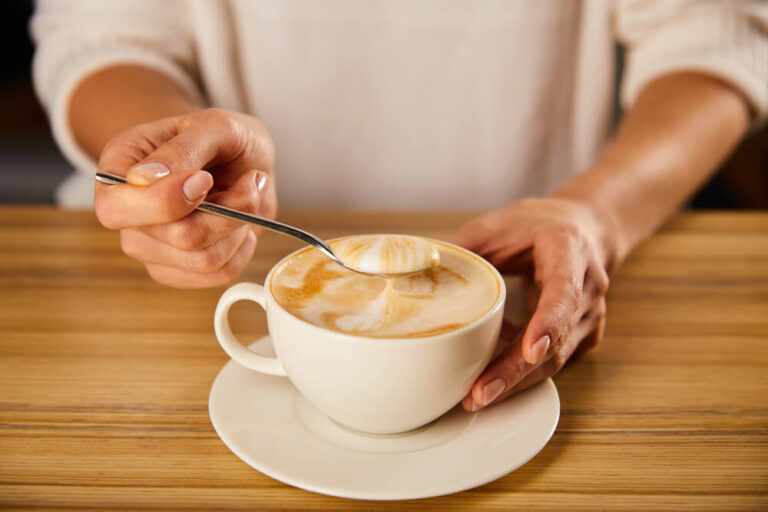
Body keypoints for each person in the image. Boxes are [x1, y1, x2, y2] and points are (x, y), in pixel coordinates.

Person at [31, 1, 767, 412]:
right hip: (165, 303)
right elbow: (102, 35)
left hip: (530, 280)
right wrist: (172, 161)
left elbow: (711, 32)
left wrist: (596, 216)